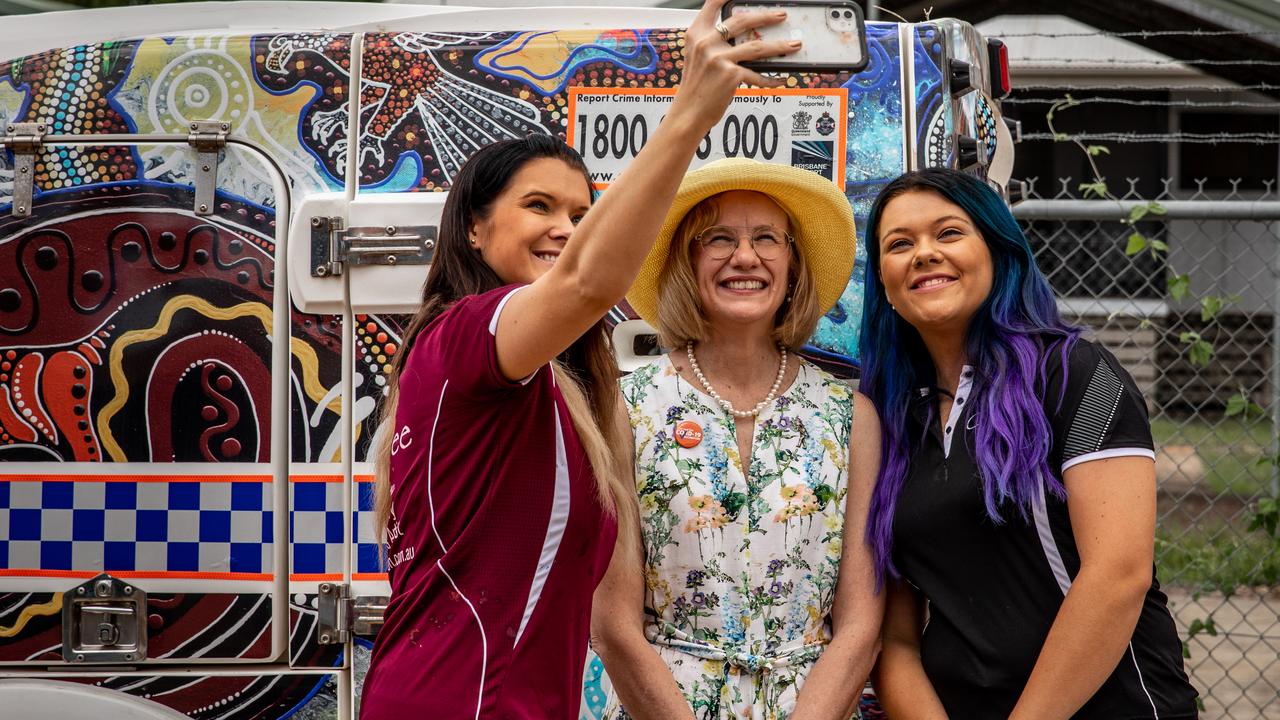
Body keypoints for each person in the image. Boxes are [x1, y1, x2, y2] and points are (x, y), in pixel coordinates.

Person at [358, 4, 804, 718]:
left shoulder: (555, 388)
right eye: (539, 206)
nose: (565, 229)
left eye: (580, 212)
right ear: (473, 228)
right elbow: (591, 284)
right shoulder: (466, 334)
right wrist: (689, 112)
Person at [858, 168, 1199, 719]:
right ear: (884, 282)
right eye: (900, 244)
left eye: (948, 233)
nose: (923, 253)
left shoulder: (1075, 374)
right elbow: (895, 637)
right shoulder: (888, 417)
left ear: (997, 251)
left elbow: (1118, 575)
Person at [591, 158, 883, 720]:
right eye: (718, 238)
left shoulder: (852, 417)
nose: (745, 257)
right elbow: (612, 623)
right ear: (686, 262)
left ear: (793, 266)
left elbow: (861, 626)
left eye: (767, 239)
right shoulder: (625, 408)